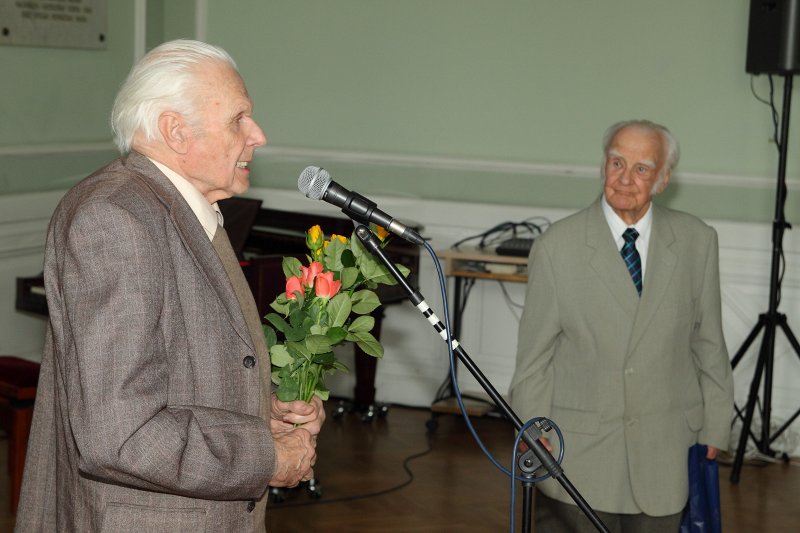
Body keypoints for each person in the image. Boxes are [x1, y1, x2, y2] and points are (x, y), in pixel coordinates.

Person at [15, 39, 325, 532]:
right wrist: (264, 454)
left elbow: (179, 368)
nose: (258, 135)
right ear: (175, 131)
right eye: (238, 119)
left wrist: (264, 406)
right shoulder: (116, 218)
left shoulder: (177, 208)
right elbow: (121, 434)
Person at [509, 119, 734, 532]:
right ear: (602, 165)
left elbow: (709, 342)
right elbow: (533, 357)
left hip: (666, 451)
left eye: (642, 168)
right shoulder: (557, 247)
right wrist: (532, 426)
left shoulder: (697, 241)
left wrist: (718, 421)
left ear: (664, 179)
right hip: (577, 456)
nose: (625, 179)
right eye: (616, 162)